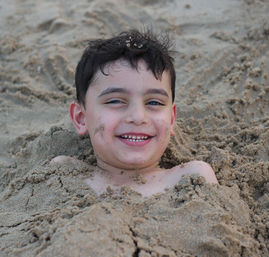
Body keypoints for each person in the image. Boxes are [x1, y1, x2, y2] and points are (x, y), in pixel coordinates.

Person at [52, 29, 218, 197]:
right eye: (115, 101)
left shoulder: (191, 178)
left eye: (154, 102)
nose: (138, 117)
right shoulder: (65, 175)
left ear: (171, 118)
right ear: (81, 118)